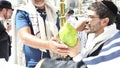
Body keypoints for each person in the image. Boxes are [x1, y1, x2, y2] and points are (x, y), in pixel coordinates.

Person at [35, 1, 120, 68]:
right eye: (86, 15)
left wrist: (75, 54)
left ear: (104, 21)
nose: (85, 20)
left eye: (90, 17)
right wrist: (74, 30)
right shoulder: (93, 35)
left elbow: (89, 65)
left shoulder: (111, 44)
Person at [15, 0, 69, 67]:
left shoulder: (54, 12)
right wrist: (48, 45)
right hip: (35, 64)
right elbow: (25, 37)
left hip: (56, 62)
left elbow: (61, 33)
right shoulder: (23, 12)